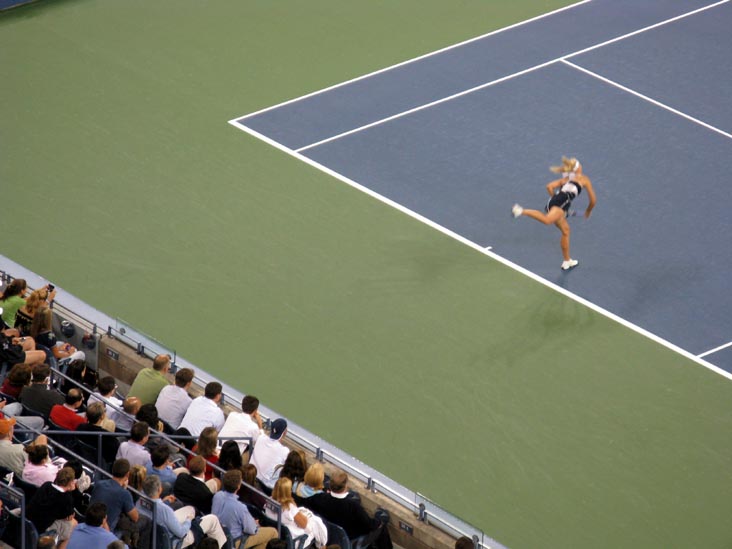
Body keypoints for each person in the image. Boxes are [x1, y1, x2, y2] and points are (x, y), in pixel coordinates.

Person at [512, 157, 596, 270]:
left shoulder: (565, 179)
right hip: (562, 202)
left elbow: (549, 186)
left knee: (566, 231)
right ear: (578, 168)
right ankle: (521, 211)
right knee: (547, 220)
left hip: (555, 201)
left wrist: (555, 198)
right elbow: (593, 201)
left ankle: (567, 261)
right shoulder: (584, 179)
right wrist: (587, 211)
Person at [302, 469, 392, 549]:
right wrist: (379, 521)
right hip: (349, 540)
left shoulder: (319, 498)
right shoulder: (353, 506)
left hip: (328, 536)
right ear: (345, 486)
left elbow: (304, 502)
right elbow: (369, 525)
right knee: (381, 527)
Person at [138, 474, 227, 548]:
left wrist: (164, 502)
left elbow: (157, 510)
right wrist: (188, 520)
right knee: (213, 519)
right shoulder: (165, 510)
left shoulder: (139, 501)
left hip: (154, 534)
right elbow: (181, 533)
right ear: (159, 489)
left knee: (190, 509)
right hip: (170, 541)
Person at [212, 469, 278, 549]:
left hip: (219, 535)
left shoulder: (217, 496)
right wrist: (254, 524)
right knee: (273, 532)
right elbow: (252, 530)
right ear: (238, 486)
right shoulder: (240, 507)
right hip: (234, 541)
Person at [90, 459, 144, 547]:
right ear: (127, 474)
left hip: (91, 522)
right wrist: (124, 491)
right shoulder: (124, 494)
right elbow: (135, 517)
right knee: (145, 523)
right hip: (107, 530)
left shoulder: (99, 484)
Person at [268, 477, 327, 549]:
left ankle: (321, 544)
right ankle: (322, 545)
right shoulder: (289, 507)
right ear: (287, 492)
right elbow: (304, 525)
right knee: (317, 522)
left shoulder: (269, 500)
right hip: (292, 538)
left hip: (280, 531)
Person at [27, 466, 79, 548]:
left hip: (28, 520)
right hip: (42, 528)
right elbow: (69, 516)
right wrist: (70, 491)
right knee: (73, 524)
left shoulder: (46, 485)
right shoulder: (65, 498)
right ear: (70, 483)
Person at [249, 418, 289, 491]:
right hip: (266, 488)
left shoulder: (260, 438)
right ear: (285, 432)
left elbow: (261, 433)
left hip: (250, 478)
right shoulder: (284, 451)